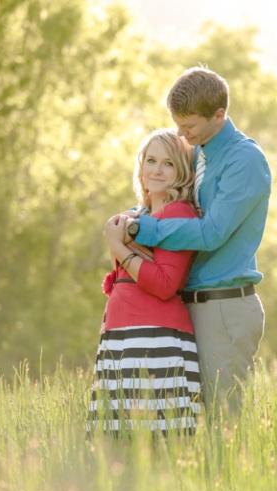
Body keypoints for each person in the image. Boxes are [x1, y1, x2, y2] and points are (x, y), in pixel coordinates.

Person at [120, 66, 271, 417]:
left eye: (188, 125)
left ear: (219, 115)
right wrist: (132, 217)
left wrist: (141, 231)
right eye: (177, 123)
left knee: (223, 423)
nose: (180, 133)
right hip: (189, 306)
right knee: (187, 422)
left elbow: (211, 232)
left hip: (223, 307)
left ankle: (235, 474)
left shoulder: (243, 160)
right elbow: (174, 203)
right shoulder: (200, 150)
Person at [87, 128, 202, 436]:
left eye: (168, 163)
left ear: (181, 171)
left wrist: (119, 249)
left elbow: (166, 284)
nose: (157, 169)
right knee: (114, 443)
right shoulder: (136, 216)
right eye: (151, 160)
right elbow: (121, 283)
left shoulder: (180, 213)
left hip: (157, 338)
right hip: (120, 337)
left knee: (160, 442)